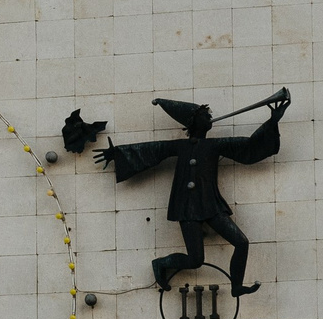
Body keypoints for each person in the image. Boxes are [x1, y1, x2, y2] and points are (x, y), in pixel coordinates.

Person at [97, 90, 291, 295]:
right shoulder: (180, 146)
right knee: (195, 260)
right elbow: (151, 150)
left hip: (210, 204)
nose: (209, 117)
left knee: (241, 243)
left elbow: (249, 146)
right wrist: (118, 154)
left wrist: (273, 122)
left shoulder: (216, 145)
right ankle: (161, 264)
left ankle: (236, 286)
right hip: (187, 208)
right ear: (194, 121)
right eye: (204, 115)